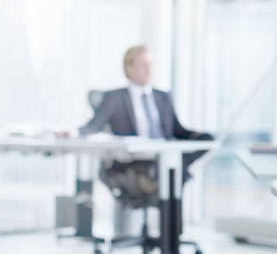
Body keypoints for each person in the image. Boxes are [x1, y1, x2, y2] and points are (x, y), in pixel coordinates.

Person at [72, 45, 213, 214]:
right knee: (172, 174)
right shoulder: (115, 97)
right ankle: (169, 180)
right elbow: (93, 126)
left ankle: (173, 174)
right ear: (129, 68)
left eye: (151, 64)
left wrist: (204, 138)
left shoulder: (163, 97)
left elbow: (177, 130)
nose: (149, 69)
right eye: (143, 64)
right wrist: (74, 133)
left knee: (182, 160)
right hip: (135, 161)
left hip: (163, 156)